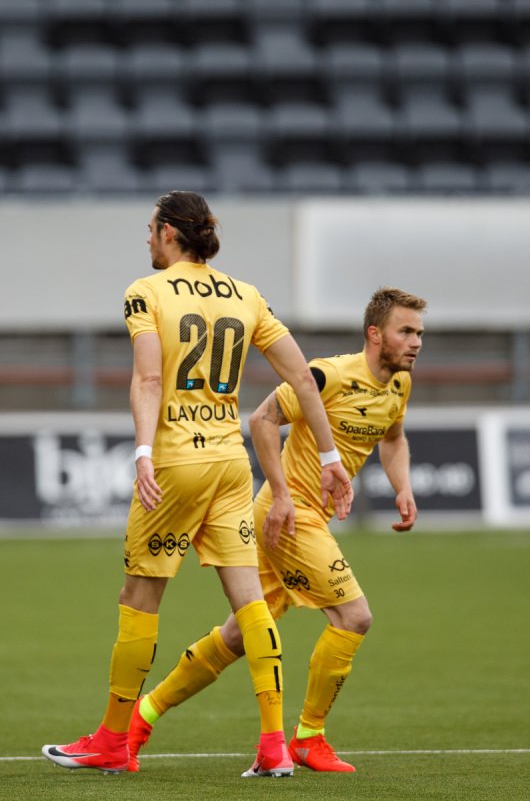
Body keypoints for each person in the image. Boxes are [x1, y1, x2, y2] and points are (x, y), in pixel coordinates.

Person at [43, 190, 353, 778]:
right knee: (251, 601)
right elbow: (305, 381)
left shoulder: (146, 292)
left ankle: (112, 738)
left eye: (150, 229)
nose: (146, 239)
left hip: (177, 462)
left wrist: (141, 450)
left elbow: (149, 376)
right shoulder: (246, 294)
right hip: (232, 464)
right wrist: (332, 454)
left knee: (140, 598)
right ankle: (273, 746)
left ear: (166, 232)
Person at [127, 287, 426, 774]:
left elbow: (393, 438)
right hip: (290, 517)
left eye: (419, 333)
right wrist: (283, 494)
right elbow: (263, 419)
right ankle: (308, 737)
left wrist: (403, 487)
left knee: (238, 636)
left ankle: (140, 719)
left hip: (288, 518)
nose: (415, 342)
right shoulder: (329, 374)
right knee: (354, 618)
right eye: (406, 331)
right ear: (375, 334)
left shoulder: (398, 387)